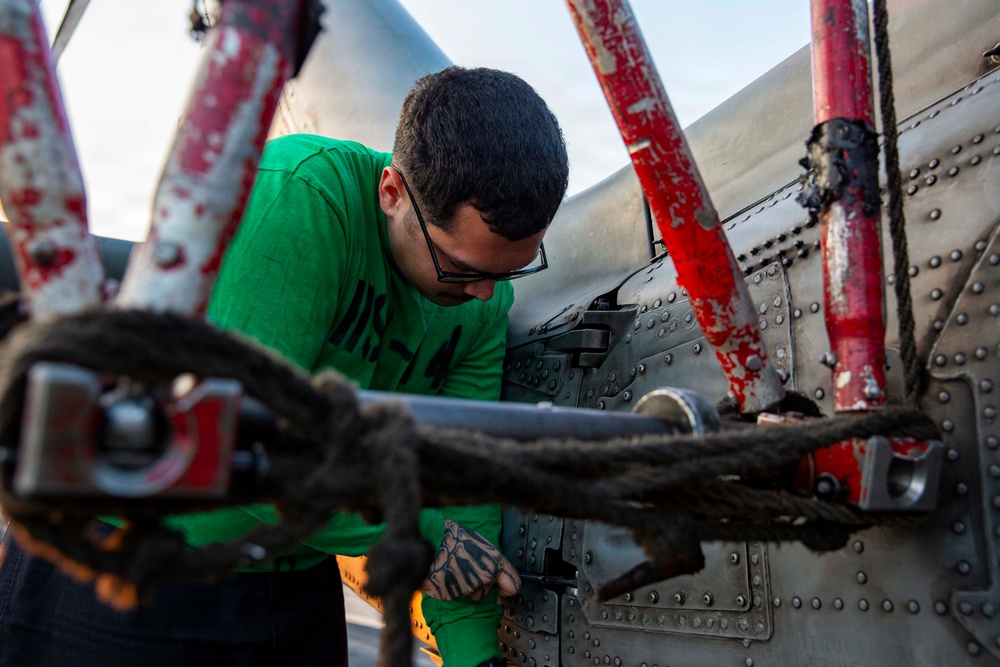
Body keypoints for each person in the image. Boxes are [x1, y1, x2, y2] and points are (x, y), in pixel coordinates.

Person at [0, 66, 569, 667]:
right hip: (129, 562)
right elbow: (237, 441)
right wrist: (415, 536)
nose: (485, 296)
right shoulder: (301, 197)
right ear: (391, 191)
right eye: (461, 269)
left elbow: (462, 483)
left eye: (509, 271)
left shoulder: (484, 302)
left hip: (289, 569)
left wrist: (475, 658)